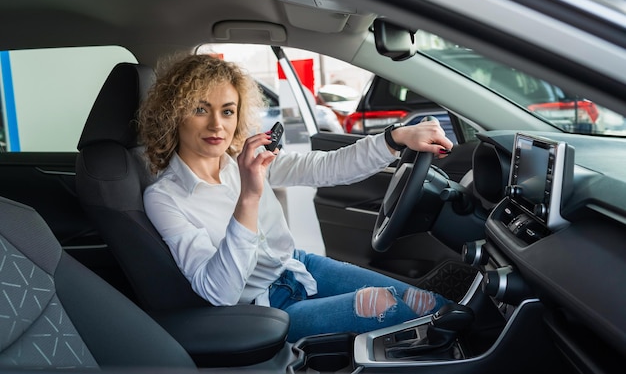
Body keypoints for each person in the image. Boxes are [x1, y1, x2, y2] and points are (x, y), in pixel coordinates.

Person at [138, 54, 455, 342]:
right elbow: (220, 291)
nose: (217, 124)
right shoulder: (165, 198)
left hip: (299, 266)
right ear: (174, 114)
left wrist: (396, 137)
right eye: (200, 109)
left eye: (227, 111)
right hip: (262, 307)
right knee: (389, 309)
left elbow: (326, 167)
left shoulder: (242, 161)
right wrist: (249, 195)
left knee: (428, 304)